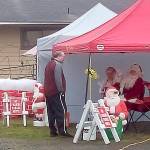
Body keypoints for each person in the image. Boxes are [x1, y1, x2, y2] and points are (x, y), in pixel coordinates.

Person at [44, 51, 71, 137]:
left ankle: (52, 131)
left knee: (51, 111)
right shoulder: (57, 65)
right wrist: (61, 90)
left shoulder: (48, 64)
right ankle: (63, 131)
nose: (64, 58)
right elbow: (58, 79)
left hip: (48, 92)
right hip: (56, 92)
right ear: (58, 56)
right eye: (63, 56)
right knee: (62, 110)